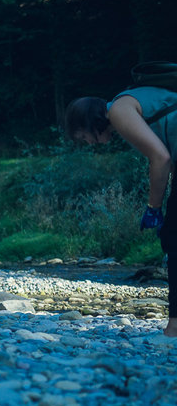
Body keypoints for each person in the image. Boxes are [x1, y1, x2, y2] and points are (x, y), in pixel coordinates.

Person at [66, 87, 177, 337]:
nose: (89, 143)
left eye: (84, 137)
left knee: (174, 241)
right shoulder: (127, 106)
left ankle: (175, 329)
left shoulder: (117, 110)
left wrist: (154, 208)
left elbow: (161, 158)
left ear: (89, 121)